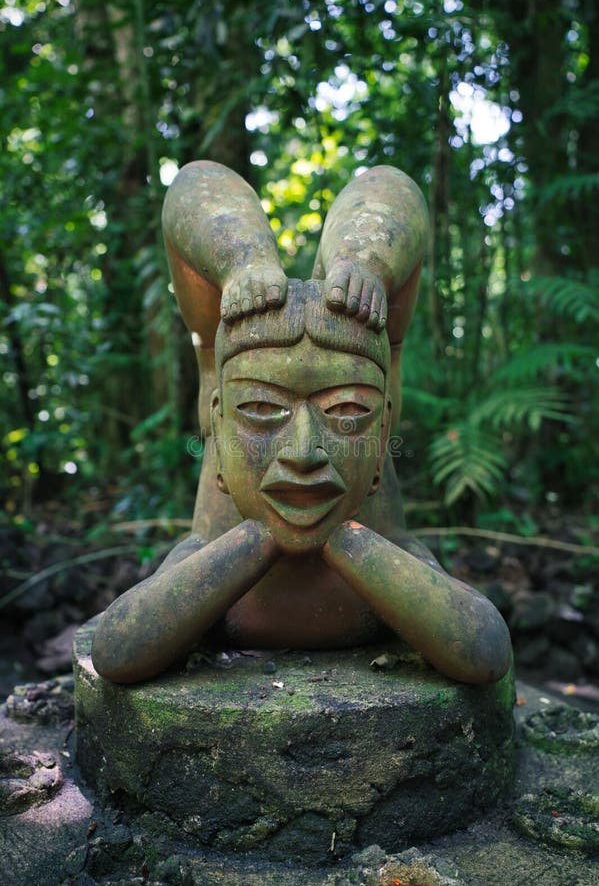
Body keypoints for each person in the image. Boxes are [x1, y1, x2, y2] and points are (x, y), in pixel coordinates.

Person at [91, 162, 511, 685]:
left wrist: (364, 266)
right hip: (240, 453)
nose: (304, 451)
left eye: (346, 413)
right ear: (217, 430)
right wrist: (243, 262)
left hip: (356, 479)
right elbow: (116, 650)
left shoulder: (383, 536)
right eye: (262, 412)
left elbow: (485, 649)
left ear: (381, 445)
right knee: (221, 338)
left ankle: (353, 276)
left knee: (364, 305)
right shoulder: (212, 541)